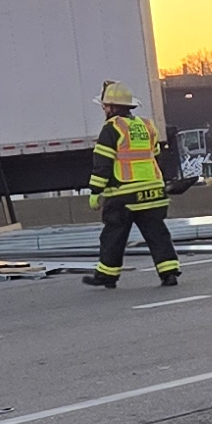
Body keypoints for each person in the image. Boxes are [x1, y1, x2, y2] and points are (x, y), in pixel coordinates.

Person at [86, 80, 181, 292]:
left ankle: (107, 276)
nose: (104, 110)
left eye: (104, 107)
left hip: (124, 194)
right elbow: (156, 155)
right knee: (157, 233)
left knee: (114, 235)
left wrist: (95, 192)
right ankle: (169, 272)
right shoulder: (146, 125)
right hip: (153, 192)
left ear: (111, 107)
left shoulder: (112, 129)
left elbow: (102, 163)